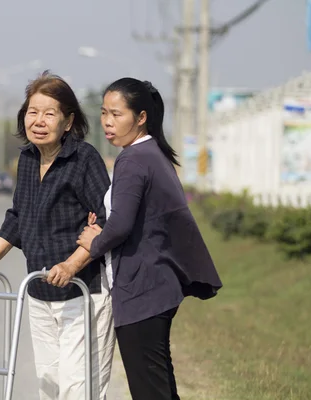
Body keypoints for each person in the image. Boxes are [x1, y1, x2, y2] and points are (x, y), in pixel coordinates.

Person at [0, 71, 116, 399]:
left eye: (50, 113)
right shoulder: (28, 159)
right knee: (50, 386)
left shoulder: (83, 158)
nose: (39, 120)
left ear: (67, 121)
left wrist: (71, 265)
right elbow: (19, 216)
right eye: (32, 112)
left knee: (81, 390)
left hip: (83, 291)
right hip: (39, 291)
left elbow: (106, 220)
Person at [77, 78, 223, 400]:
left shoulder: (133, 159)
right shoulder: (152, 153)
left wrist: (94, 242)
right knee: (159, 389)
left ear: (141, 117)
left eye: (117, 114)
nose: (107, 122)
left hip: (142, 292)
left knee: (150, 391)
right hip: (155, 287)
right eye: (104, 113)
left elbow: (121, 226)